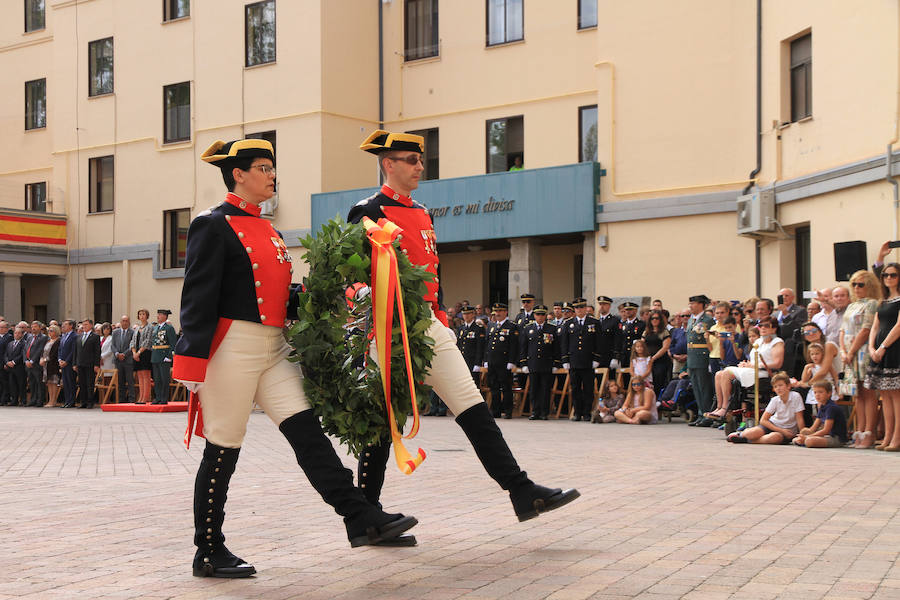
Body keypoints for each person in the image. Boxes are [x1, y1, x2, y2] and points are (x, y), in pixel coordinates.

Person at [174, 138, 419, 578]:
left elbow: (276, 294)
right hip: (232, 347)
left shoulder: (268, 227)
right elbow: (197, 295)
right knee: (223, 448)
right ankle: (208, 549)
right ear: (238, 175)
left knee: (309, 437)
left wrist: (324, 296)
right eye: (264, 168)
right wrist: (191, 362)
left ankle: (359, 516)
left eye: (272, 168)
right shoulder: (212, 225)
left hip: (274, 346)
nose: (272, 175)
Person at [349, 129, 578, 529]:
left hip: (430, 325)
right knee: (384, 421)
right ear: (388, 164)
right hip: (391, 330)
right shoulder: (367, 211)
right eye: (411, 160)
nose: (420, 166)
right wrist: (370, 310)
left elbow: (432, 272)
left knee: (473, 407)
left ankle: (520, 490)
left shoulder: (421, 212)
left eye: (421, 160)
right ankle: (366, 514)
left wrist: (439, 316)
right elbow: (352, 277)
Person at [708, 317, 784, 420]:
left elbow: (777, 363)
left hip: (764, 372)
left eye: (767, 326)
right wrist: (747, 364)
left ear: (774, 328)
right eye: (761, 326)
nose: (763, 328)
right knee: (719, 374)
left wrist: (754, 365)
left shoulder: (777, 342)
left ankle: (725, 408)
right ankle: (719, 406)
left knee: (726, 373)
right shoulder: (760, 341)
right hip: (751, 369)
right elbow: (753, 359)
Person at [839, 270, 881, 448]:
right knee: (857, 395)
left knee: (868, 392)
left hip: (861, 351)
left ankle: (868, 433)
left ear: (869, 286)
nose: (856, 288)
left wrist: (852, 351)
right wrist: (843, 351)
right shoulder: (851, 305)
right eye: (854, 284)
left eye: (860, 284)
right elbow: (842, 330)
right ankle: (859, 431)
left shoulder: (872, 304)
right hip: (848, 352)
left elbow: (866, 329)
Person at [865, 262, 900, 451]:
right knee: (884, 395)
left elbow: (899, 326)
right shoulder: (883, 301)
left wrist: (884, 346)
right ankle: (887, 437)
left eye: (893, 275)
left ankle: (897, 438)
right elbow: (875, 326)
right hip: (879, 349)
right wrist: (872, 347)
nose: (888, 278)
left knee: (896, 395)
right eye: (885, 275)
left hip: (894, 349)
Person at [727, 372, 804, 444]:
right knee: (751, 433)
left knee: (775, 437)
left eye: (780, 385)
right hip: (774, 424)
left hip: (788, 431)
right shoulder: (775, 400)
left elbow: (799, 418)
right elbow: (763, 420)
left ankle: (748, 440)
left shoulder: (795, 396)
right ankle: (741, 435)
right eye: (775, 386)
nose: (778, 388)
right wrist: (781, 430)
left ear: (788, 386)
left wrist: (801, 435)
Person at [560, 297, 601, 421]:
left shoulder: (594, 322)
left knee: (588, 389)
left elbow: (599, 342)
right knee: (575, 388)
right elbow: (564, 343)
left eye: (581, 307)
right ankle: (577, 412)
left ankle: (587, 412)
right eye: (577, 308)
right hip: (574, 361)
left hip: (588, 361)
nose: (579, 310)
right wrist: (565, 360)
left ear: (585, 308)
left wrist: (596, 358)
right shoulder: (568, 323)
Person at [518, 304, 557, 420]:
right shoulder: (528, 328)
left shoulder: (552, 328)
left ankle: (544, 412)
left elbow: (556, 348)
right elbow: (523, 347)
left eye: (542, 314)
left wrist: (556, 363)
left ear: (545, 316)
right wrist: (524, 363)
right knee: (533, 389)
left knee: (545, 389)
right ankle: (535, 411)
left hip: (546, 363)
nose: (540, 317)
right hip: (533, 363)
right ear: (534, 315)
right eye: (537, 314)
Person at [484, 303, 519, 418]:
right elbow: (488, 344)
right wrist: (486, 359)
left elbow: (514, 346)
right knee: (494, 387)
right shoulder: (492, 326)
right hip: (492, 361)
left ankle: (508, 411)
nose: (497, 314)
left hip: (504, 362)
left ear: (505, 312)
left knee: (506, 387)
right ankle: (496, 410)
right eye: (496, 312)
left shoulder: (511, 326)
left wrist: (511, 361)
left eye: (500, 311)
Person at [685, 294, 715, 426]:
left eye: (693, 303)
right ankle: (700, 413)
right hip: (692, 356)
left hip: (702, 356)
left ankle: (707, 414)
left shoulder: (707, 320)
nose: (691, 306)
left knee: (704, 387)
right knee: (696, 387)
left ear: (701, 304)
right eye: (690, 304)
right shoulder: (692, 319)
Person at [793, 381, 849, 448]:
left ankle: (805, 441)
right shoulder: (822, 407)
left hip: (836, 438)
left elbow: (826, 430)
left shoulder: (831, 407)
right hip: (826, 436)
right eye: (815, 392)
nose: (817, 395)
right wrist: (804, 434)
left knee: (809, 441)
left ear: (829, 393)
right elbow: (813, 428)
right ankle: (803, 441)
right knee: (799, 436)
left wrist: (807, 437)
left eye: (820, 392)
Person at [150, 310, 177, 404]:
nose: (158, 316)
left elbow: (173, 343)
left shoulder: (169, 328)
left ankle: (164, 398)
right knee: (156, 379)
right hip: (155, 355)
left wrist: (169, 356)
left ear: (165, 316)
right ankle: (158, 397)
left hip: (164, 356)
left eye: (160, 315)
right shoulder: (156, 327)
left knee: (164, 378)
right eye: (158, 314)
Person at [642, 309, 671, 398]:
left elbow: (665, 347)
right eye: (652, 318)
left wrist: (653, 358)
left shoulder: (664, 332)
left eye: (657, 318)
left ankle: (658, 399)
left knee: (658, 379)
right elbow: (642, 344)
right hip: (647, 360)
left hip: (660, 360)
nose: (654, 320)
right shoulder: (646, 332)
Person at [456, 306, 486, 388]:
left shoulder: (478, 328)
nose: (466, 316)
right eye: (464, 314)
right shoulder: (461, 328)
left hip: (473, 361)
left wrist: (478, 363)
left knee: (473, 385)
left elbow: (480, 347)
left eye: (468, 314)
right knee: (462, 385)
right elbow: (459, 345)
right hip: (462, 361)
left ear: (473, 314)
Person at [74, 319, 101, 409]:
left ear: (91, 325)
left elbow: (97, 352)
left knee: (90, 384)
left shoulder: (95, 337)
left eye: (86, 325)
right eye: (83, 325)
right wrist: (75, 363)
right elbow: (76, 351)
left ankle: (90, 402)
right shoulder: (79, 336)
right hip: (80, 363)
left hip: (90, 363)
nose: (84, 326)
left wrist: (96, 364)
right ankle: (83, 401)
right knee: (82, 384)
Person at [111, 315, 136, 403]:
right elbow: (112, 345)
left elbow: (132, 345)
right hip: (118, 360)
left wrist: (124, 354)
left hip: (128, 360)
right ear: (120, 322)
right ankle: (121, 399)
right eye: (123, 321)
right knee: (120, 381)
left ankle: (131, 399)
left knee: (130, 381)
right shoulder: (115, 332)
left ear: (129, 322)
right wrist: (117, 354)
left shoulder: (133, 332)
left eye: (126, 321)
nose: (124, 322)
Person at [131, 309, 153, 404]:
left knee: (146, 375)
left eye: (143, 314)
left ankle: (146, 397)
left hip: (145, 353)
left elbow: (147, 341)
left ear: (147, 316)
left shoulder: (150, 327)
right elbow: (132, 341)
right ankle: (140, 396)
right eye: (140, 314)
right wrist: (134, 353)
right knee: (139, 375)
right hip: (137, 354)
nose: (142, 316)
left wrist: (138, 353)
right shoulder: (136, 328)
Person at [24, 321, 48, 407]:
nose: (33, 328)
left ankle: (40, 400)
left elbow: (40, 350)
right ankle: (32, 400)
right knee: (32, 383)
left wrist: (32, 361)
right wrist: (26, 360)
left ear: (40, 328)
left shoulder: (43, 337)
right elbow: (25, 349)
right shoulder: (30, 337)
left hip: (37, 364)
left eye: (35, 327)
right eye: (32, 326)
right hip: (28, 364)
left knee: (39, 383)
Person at [4, 326, 27, 406]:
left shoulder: (24, 343)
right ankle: (14, 400)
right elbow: (6, 354)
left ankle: (23, 400)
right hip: (10, 367)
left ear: (22, 334)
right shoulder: (10, 343)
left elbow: (22, 355)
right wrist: (7, 362)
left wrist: (14, 362)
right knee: (12, 384)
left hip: (19, 367)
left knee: (21, 384)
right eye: (15, 333)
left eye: (18, 333)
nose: (16, 334)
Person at [57, 320, 77, 408]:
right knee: (65, 383)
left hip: (69, 363)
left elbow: (73, 351)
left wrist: (66, 361)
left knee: (71, 382)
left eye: (65, 325)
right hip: (62, 362)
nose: (63, 326)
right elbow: (60, 349)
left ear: (71, 326)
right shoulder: (63, 336)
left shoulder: (74, 336)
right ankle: (67, 400)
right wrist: (60, 359)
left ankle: (72, 401)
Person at [41, 324, 61, 407]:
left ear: (56, 331)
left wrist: (45, 360)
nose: (49, 332)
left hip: (53, 364)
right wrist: (41, 358)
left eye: (51, 331)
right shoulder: (48, 341)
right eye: (49, 330)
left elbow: (54, 353)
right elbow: (44, 351)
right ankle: (50, 400)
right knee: (49, 382)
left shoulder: (58, 341)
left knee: (54, 382)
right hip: (46, 365)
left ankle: (53, 400)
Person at [0, 321, 11, 405]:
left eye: (2, 327)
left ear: (6, 329)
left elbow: (7, 352)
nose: (0, 329)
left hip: (3, 363)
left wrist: (5, 362)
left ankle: (5, 399)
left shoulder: (9, 337)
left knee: (4, 382)